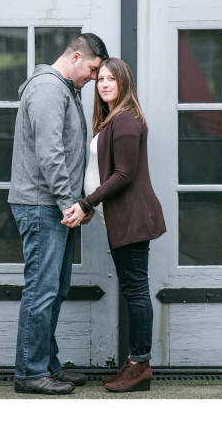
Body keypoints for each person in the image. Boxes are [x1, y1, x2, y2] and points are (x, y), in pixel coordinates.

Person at [10, 32, 108, 395]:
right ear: (77, 56)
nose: (95, 78)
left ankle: (46, 365)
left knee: (54, 288)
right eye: (94, 69)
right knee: (42, 290)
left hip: (52, 205)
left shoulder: (63, 90)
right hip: (43, 206)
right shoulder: (49, 89)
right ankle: (30, 371)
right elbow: (50, 153)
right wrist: (71, 203)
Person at [70, 57, 166, 393]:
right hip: (123, 217)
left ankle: (140, 365)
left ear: (124, 83)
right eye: (101, 79)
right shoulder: (114, 118)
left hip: (133, 218)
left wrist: (87, 203)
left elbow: (123, 174)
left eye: (113, 79)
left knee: (136, 292)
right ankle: (135, 362)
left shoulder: (125, 120)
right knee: (132, 290)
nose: (105, 84)